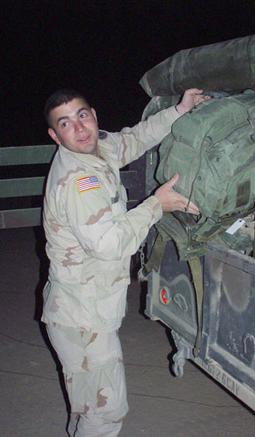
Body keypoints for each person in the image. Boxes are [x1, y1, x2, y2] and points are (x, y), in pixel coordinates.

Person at [41, 87, 208, 436]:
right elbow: (109, 244)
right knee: (105, 414)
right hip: (83, 319)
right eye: (66, 123)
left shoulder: (96, 147)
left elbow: (134, 140)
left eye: (82, 115)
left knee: (87, 407)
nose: (80, 127)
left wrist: (179, 110)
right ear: (55, 136)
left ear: (94, 114)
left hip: (88, 309)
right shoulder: (77, 182)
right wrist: (155, 206)